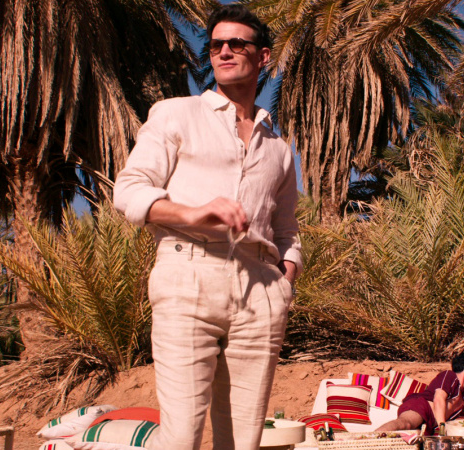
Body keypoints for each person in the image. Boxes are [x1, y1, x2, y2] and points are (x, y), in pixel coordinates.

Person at [113, 5, 301, 449]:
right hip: (188, 277)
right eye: (216, 45)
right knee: (181, 437)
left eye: (237, 43)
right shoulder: (176, 114)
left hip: (260, 292)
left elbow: (287, 230)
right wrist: (194, 214)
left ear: (264, 56)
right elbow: (129, 190)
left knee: (242, 441)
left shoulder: (278, 148)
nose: (224, 52)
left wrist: (284, 283)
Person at [375, 352, 464, 435]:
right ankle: (370, 439)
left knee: (410, 433)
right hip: (421, 406)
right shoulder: (450, 376)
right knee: (406, 423)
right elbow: (439, 398)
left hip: (428, 424)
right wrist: (442, 427)